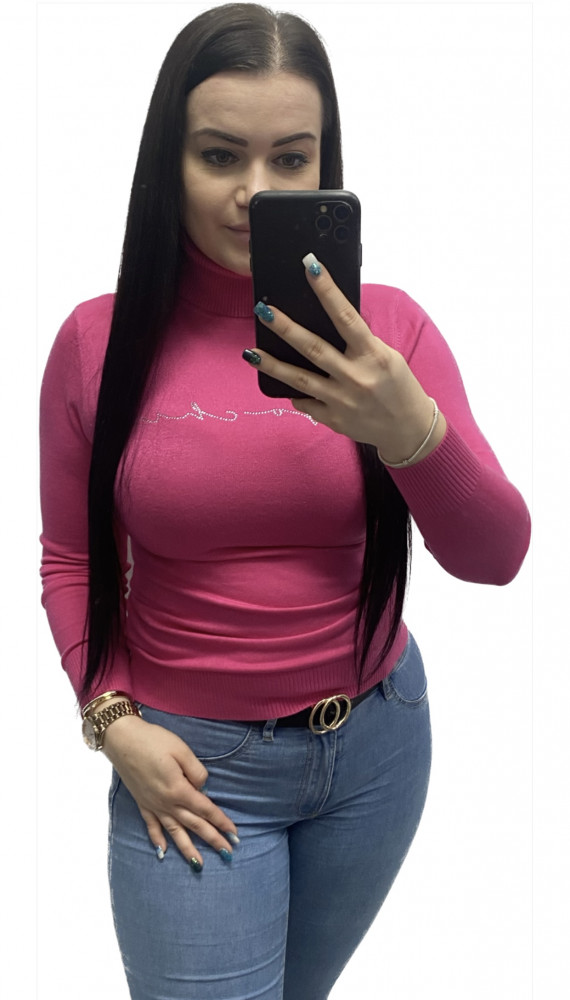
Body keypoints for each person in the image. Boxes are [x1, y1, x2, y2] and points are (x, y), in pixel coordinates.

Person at [39, 4, 531, 999]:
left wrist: (411, 431)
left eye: (291, 158)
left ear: (324, 165)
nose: (254, 191)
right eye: (220, 155)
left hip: (378, 747)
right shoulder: (98, 342)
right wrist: (110, 717)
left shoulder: (389, 336)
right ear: (168, 160)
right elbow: (72, 557)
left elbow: (496, 557)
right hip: (191, 769)